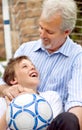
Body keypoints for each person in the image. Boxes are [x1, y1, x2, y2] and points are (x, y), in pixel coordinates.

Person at [0, 0, 82, 129]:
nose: (42, 34)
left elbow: (77, 106)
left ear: (66, 32)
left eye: (49, 32)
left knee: (69, 118)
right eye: (40, 27)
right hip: (17, 121)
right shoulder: (25, 50)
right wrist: (8, 91)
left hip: (52, 125)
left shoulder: (78, 57)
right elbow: (4, 82)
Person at [0, 55, 63, 130]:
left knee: (68, 118)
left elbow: (53, 126)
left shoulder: (51, 97)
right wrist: (10, 110)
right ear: (13, 80)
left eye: (33, 65)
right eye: (25, 66)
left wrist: (34, 97)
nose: (32, 67)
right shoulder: (3, 103)